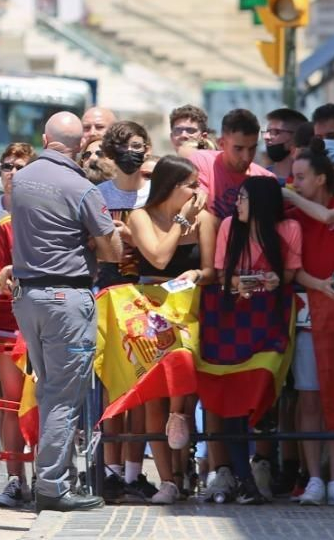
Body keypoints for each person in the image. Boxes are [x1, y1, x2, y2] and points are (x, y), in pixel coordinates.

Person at [8, 112, 121, 511]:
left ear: (44, 138)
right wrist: (94, 242)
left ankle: (57, 476)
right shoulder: (81, 188)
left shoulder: (18, 179)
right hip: (65, 300)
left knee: (47, 389)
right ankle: (53, 485)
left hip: (27, 298)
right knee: (62, 396)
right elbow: (112, 251)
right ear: (77, 147)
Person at [118, 154, 218, 505]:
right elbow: (158, 258)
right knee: (152, 397)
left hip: (188, 310)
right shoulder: (141, 216)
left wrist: (196, 275)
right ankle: (168, 480)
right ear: (172, 187)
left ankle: (184, 468)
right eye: (191, 185)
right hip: (150, 309)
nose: (198, 191)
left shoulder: (205, 219)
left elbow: (210, 270)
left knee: (183, 392)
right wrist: (180, 221)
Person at [205, 176, 302, 505]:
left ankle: (261, 466)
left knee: (263, 387)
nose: (237, 204)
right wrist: (241, 280)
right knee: (233, 393)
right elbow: (222, 275)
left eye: (244, 198)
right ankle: (242, 478)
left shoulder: (288, 229)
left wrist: (275, 277)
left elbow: (290, 274)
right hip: (233, 319)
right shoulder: (229, 227)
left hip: (271, 319)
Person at [281, 143, 334, 506]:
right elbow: (292, 270)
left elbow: (331, 219)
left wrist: (288, 194)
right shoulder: (291, 212)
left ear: (321, 178)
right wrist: (317, 285)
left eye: (301, 177)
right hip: (308, 311)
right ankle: (313, 478)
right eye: (291, 177)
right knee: (309, 397)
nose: (294, 183)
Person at [92, 120, 156, 503]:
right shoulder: (98, 194)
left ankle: (135, 472)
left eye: (140, 145)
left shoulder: (154, 194)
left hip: (146, 294)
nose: (135, 152)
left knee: (141, 389)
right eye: (127, 146)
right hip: (108, 293)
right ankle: (111, 471)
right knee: (111, 388)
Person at [0, 142, 35, 510]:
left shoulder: (48, 216)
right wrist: (6, 275)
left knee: (45, 403)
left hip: (45, 321)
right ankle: (16, 479)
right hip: (7, 323)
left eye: (21, 167)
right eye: (7, 166)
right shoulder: (2, 224)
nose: (13, 173)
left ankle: (48, 477)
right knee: (10, 403)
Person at [185, 109, 276, 219]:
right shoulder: (201, 160)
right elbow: (196, 215)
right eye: (238, 149)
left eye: (252, 148)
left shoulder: (266, 179)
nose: (246, 157)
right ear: (221, 144)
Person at [263, 108, 309, 184]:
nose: (267, 138)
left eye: (275, 133)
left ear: (295, 136)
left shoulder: (307, 183)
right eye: (267, 133)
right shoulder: (260, 177)